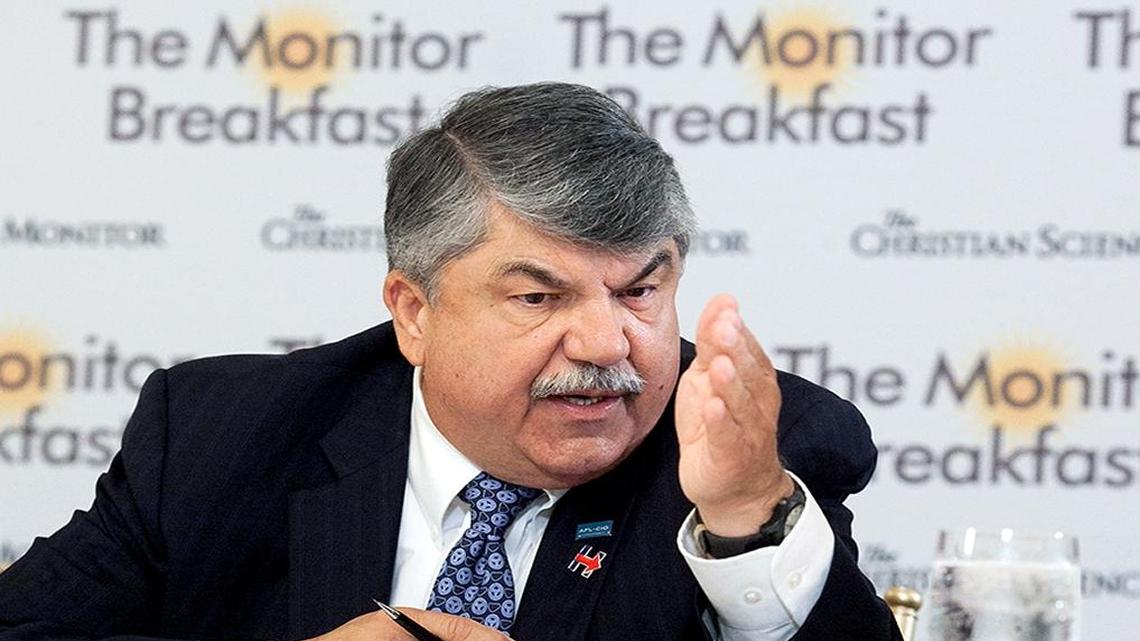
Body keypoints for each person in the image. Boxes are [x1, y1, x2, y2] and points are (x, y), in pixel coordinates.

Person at [0, 83, 900, 641]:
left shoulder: (757, 450)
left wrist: (748, 514)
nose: (604, 346)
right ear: (414, 312)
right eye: (538, 297)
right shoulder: (217, 432)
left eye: (639, 291)